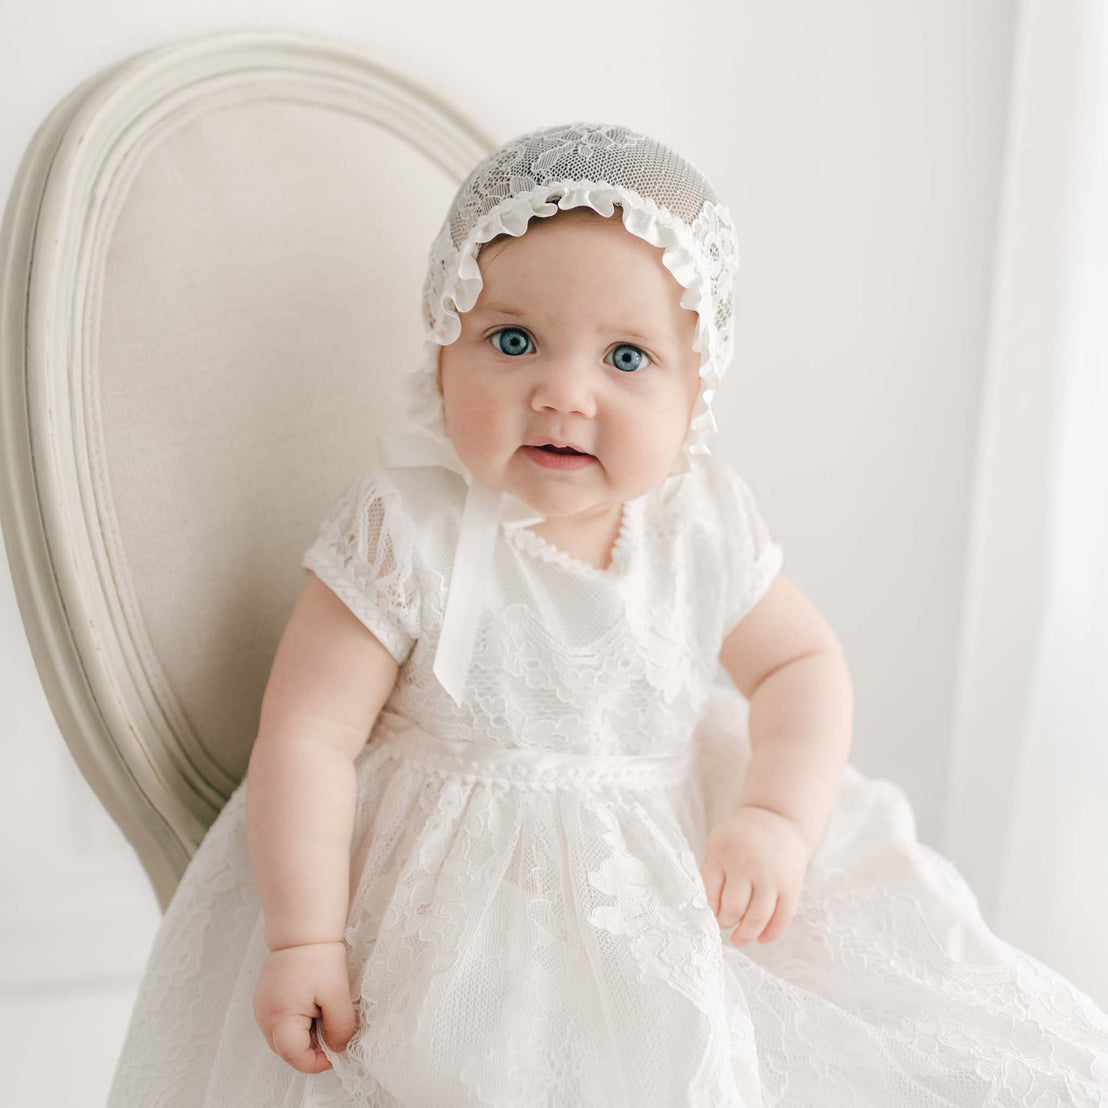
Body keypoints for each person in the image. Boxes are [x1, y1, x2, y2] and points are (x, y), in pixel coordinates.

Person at [106, 121, 1108, 1107]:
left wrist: (773, 818)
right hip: (463, 915)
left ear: (694, 393)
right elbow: (309, 735)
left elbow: (801, 664)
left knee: (845, 1028)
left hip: (666, 878)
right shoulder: (406, 524)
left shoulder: (700, 521)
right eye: (512, 340)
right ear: (442, 352)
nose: (562, 392)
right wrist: (304, 935)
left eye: (626, 359)